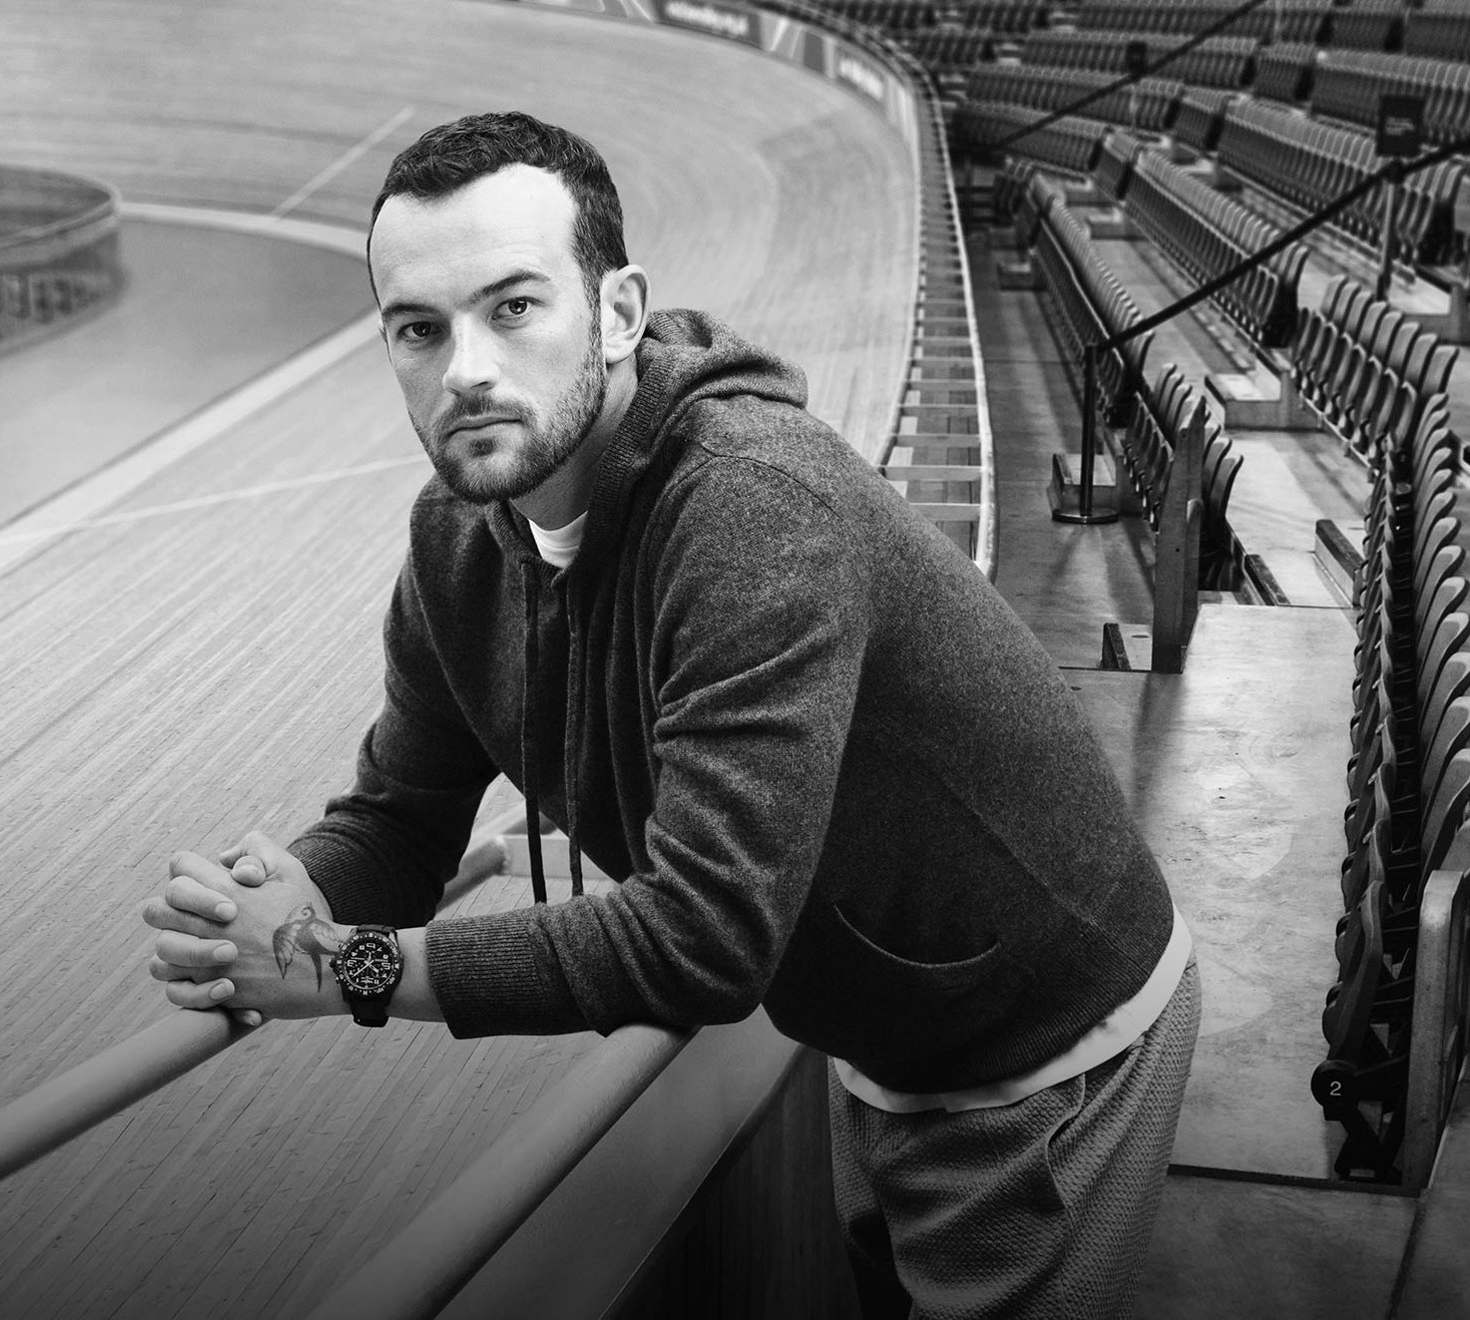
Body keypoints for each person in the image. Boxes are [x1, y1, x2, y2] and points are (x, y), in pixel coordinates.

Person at [142, 110, 1200, 1319]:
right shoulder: (453, 542)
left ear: (618, 310)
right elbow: (397, 817)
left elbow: (701, 938)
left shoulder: (751, 505)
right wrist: (281, 906)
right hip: (886, 1042)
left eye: (512, 308)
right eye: (418, 330)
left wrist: (343, 966)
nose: (464, 369)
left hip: (1049, 1049)